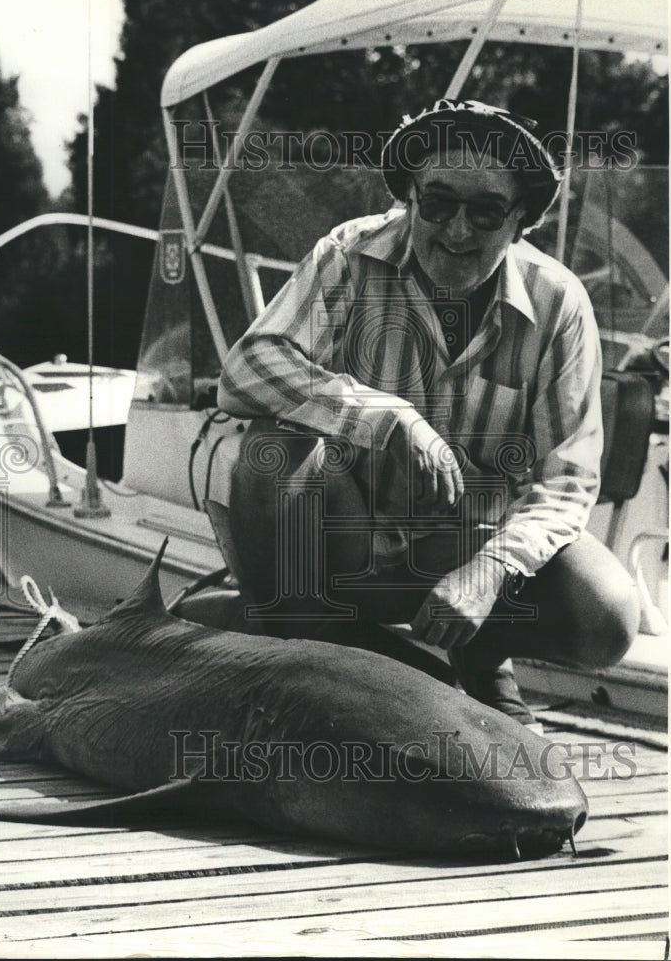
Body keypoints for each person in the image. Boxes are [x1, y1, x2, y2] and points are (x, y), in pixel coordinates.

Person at [216, 98, 640, 730]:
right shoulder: (348, 253)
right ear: (410, 197)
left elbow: (564, 480)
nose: (457, 230)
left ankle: (475, 652)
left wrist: (490, 570)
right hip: (346, 545)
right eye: (437, 203)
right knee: (269, 451)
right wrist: (383, 416)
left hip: (464, 556)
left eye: (486, 211)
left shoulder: (559, 303)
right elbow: (247, 368)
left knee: (606, 613)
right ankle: (335, 647)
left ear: (520, 221)